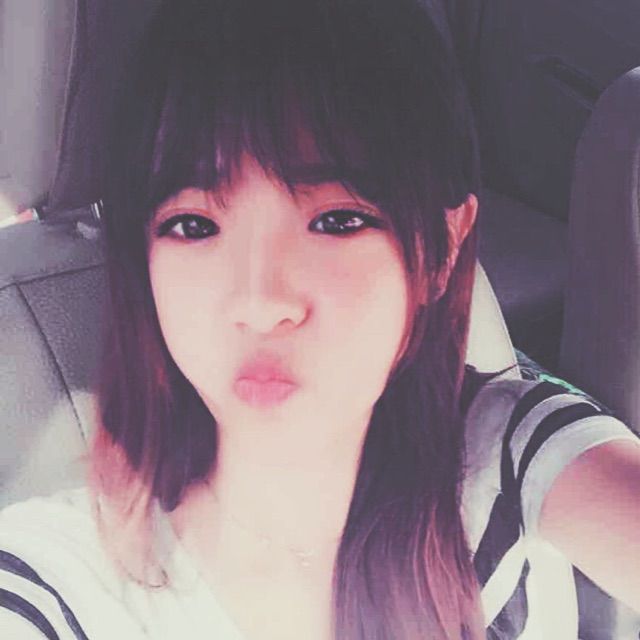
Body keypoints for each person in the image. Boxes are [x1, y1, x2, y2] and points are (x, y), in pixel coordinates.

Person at [1, 0, 639, 638]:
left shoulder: (507, 451)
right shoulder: (57, 582)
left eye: (337, 220)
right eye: (193, 225)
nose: (260, 304)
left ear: (441, 251)